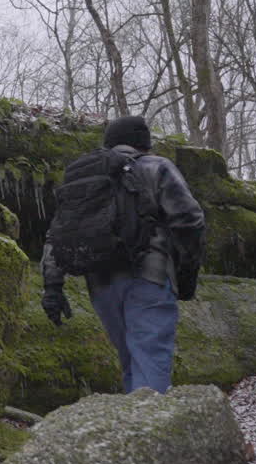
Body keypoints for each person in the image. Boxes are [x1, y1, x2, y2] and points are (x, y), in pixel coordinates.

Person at [40, 115, 206, 393]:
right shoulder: (157, 166)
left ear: (109, 143)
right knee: (149, 359)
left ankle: (133, 419)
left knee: (130, 361)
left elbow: (56, 234)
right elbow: (190, 221)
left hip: (100, 284)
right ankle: (149, 422)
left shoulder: (86, 177)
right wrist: (187, 275)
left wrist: (52, 287)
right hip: (148, 276)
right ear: (145, 144)